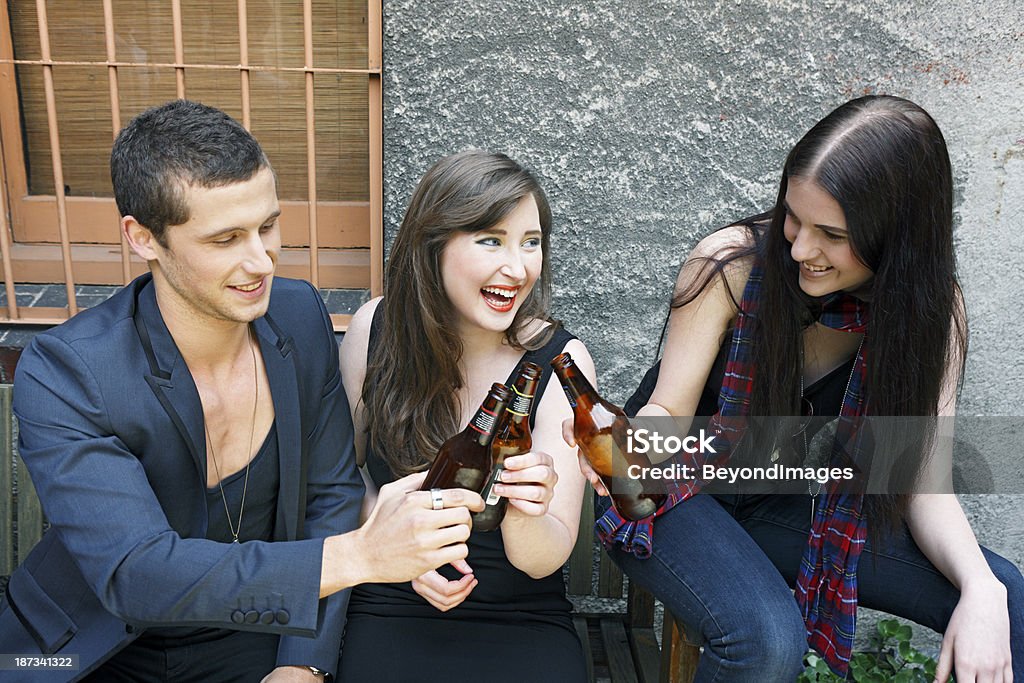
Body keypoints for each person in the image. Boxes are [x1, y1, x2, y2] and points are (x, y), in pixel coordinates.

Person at [0, 100, 483, 682]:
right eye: (226, 238)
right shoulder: (67, 371)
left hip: (256, 631)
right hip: (86, 645)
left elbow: (327, 496)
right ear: (143, 238)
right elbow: (135, 573)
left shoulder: (299, 315)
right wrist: (363, 554)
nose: (261, 260)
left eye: (267, 226)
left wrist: (302, 664)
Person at [576, 95, 1023, 682]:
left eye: (832, 234)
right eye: (794, 217)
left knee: (1008, 599)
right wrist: (627, 442)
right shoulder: (731, 266)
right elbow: (670, 411)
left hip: (783, 497)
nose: (800, 249)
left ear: (899, 239)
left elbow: (917, 476)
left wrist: (981, 589)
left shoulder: (931, 313)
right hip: (670, 488)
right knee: (764, 640)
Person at [337, 150, 591, 681]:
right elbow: (342, 480)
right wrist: (397, 551)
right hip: (392, 597)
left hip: (521, 616)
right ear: (433, 246)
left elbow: (546, 557)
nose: (517, 268)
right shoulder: (374, 332)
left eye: (531, 242)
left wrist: (525, 507)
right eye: (490, 240)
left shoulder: (561, 363)